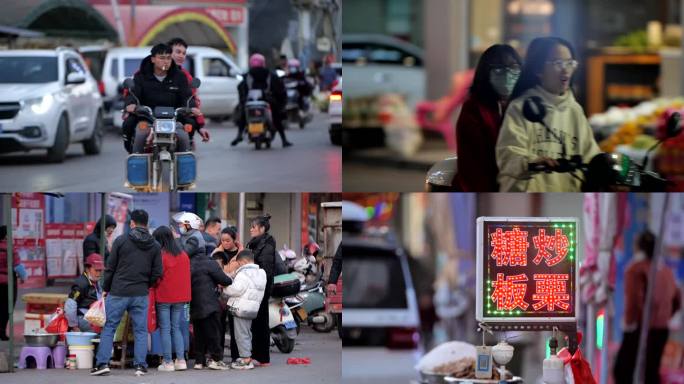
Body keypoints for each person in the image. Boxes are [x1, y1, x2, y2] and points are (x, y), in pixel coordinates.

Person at [495, 37, 601, 192]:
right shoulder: (522, 107)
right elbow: (507, 155)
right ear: (538, 70)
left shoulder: (574, 110)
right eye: (558, 63)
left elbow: (590, 155)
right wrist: (532, 162)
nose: (566, 70)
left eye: (570, 63)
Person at [91, 209, 162, 377]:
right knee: (140, 330)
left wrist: (106, 287)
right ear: (146, 223)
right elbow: (158, 272)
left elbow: (110, 267)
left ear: (132, 223)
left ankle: (102, 364)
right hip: (140, 293)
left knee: (109, 327)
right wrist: (146, 284)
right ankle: (140, 366)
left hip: (118, 291)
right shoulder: (155, 245)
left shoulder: (121, 241)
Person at [614, 231, 681, 384]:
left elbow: (634, 300)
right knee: (651, 372)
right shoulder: (666, 271)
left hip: (640, 327)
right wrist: (665, 316)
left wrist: (629, 323)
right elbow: (678, 298)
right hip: (661, 329)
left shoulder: (635, 269)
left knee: (622, 370)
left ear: (638, 247)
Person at [454, 44, 522, 192]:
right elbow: (476, 163)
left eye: (513, 67)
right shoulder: (474, 108)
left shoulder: (522, 105)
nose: (507, 74)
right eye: (498, 69)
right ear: (485, 73)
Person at [122, 43, 195, 154]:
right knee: (140, 135)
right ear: (153, 59)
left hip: (173, 120)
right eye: (161, 58)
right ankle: (137, 164)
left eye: (168, 58)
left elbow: (187, 96)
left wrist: (191, 107)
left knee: (183, 137)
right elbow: (133, 94)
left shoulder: (179, 76)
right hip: (147, 118)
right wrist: (131, 104)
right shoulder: (141, 76)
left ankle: (183, 169)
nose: (165, 61)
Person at [189, 227, 233, 370]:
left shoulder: (188, 264)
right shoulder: (209, 262)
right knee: (213, 333)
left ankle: (199, 361)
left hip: (194, 305)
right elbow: (225, 280)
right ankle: (216, 359)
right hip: (209, 304)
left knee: (199, 334)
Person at [231, 53, 292, 148]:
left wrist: (243, 100)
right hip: (267, 101)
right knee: (277, 117)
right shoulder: (270, 74)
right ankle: (284, 140)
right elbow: (280, 90)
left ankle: (239, 135)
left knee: (243, 113)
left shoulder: (247, 75)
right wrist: (281, 102)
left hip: (250, 101)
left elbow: (241, 90)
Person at [152, 226, 191, 372]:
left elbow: (157, 276)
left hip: (164, 296)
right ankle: (181, 361)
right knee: (176, 328)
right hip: (181, 297)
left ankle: (168, 362)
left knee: (166, 329)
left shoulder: (161, 256)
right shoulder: (184, 255)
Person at [223, 250, 266, 370]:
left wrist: (225, 287)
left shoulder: (243, 274)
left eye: (239, 264)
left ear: (244, 261)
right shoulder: (261, 273)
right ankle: (246, 356)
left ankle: (246, 360)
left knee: (241, 334)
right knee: (247, 333)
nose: (239, 266)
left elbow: (236, 290)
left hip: (241, 308)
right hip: (252, 308)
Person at [167, 37, 210, 149]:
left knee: (190, 126)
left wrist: (201, 126)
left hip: (178, 116)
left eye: (184, 53)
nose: (181, 55)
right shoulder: (148, 72)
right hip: (154, 117)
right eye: (178, 52)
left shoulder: (186, 76)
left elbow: (193, 100)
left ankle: (187, 148)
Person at [245, 214, 277, 366]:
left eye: (253, 227)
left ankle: (263, 357)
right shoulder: (256, 243)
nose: (251, 229)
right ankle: (258, 355)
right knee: (257, 322)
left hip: (261, 288)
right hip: (256, 287)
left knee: (261, 322)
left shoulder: (267, 245)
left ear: (262, 229)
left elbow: (265, 270)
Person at [212, 226, 242, 358]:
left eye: (228, 240)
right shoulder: (215, 253)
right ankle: (219, 357)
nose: (225, 243)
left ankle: (236, 356)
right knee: (219, 327)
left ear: (235, 240)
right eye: (223, 240)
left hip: (236, 294)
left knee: (235, 327)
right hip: (219, 295)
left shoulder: (243, 254)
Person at [65, 253, 104, 333]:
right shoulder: (81, 284)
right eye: (96, 270)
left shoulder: (96, 282)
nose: (99, 273)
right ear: (87, 269)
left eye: (100, 270)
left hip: (94, 318)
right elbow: (70, 305)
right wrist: (74, 326)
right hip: (82, 319)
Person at [0, 225, 24, 341]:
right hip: (7, 284)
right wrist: (24, 277)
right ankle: (2, 332)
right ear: (6, 235)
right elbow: (18, 266)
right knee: (6, 308)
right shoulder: (10, 248)